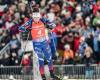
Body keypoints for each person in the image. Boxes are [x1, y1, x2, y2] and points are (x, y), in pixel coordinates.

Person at [19, 8, 60, 80]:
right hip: (37, 44)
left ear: (39, 16)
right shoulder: (30, 22)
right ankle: (43, 77)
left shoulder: (43, 20)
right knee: (41, 60)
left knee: (49, 59)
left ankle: (52, 74)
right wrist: (26, 29)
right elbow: (20, 28)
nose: (36, 19)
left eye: (37, 17)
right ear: (33, 17)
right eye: (35, 18)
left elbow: (53, 25)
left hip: (44, 42)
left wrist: (50, 26)